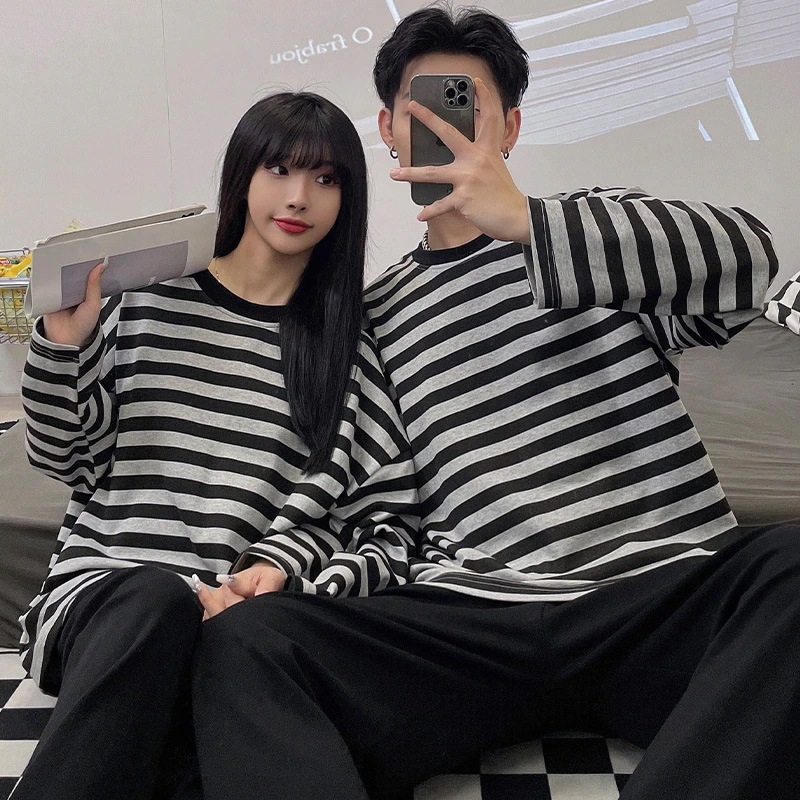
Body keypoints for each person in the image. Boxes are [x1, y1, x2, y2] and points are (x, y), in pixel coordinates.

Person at [189, 7, 799, 800]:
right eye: (423, 109)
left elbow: (752, 262)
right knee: (248, 645)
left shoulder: (590, 232)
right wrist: (283, 568)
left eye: (465, 106)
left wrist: (526, 222)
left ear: (509, 128)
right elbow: (370, 498)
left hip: (653, 595)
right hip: (476, 617)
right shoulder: (375, 316)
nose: (445, 128)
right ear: (388, 130)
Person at [13, 91, 419, 800]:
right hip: (109, 605)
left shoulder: (346, 349)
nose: (299, 196)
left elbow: (388, 530)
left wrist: (288, 578)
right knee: (157, 602)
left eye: (326, 178)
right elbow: (65, 459)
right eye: (278, 169)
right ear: (241, 174)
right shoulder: (146, 299)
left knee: (217, 702)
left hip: (242, 637)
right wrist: (62, 346)